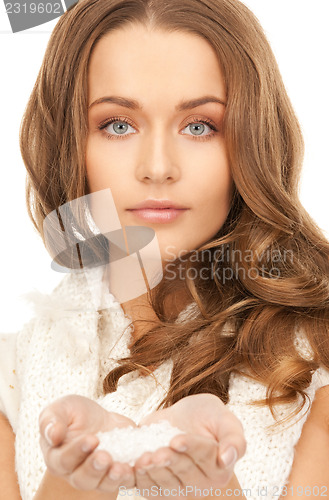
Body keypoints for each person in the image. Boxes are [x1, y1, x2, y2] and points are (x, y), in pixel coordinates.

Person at [1, 0, 329, 499]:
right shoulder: (14, 374)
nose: (157, 167)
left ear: (253, 140)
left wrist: (205, 486)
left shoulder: (315, 360)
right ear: (72, 144)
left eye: (199, 126)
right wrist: (77, 479)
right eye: (118, 124)